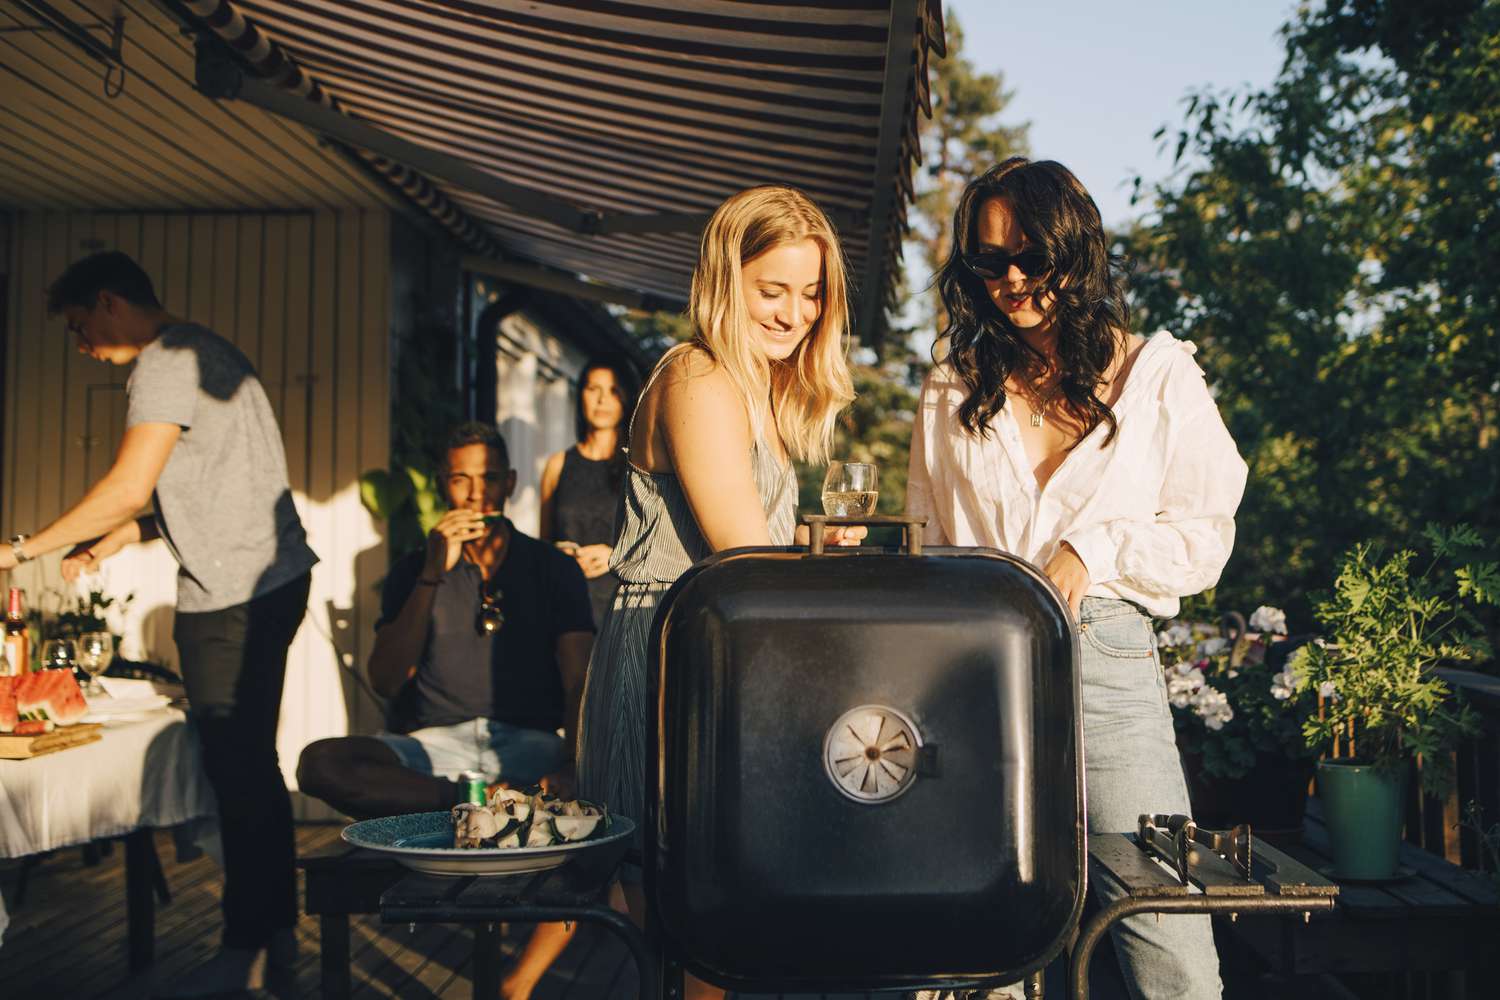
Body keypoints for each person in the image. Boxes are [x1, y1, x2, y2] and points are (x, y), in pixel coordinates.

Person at [906, 158, 1247, 1000]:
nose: (1012, 279)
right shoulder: (952, 388)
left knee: (1165, 935)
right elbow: (931, 542)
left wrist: (1092, 549)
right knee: (986, 939)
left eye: (1031, 255)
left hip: (1108, 662)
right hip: (979, 670)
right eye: (989, 262)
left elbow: (1205, 538)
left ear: (1075, 249)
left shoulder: (1160, 376)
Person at [0, 251, 319, 997]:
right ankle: (273, 941)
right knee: (253, 775)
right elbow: (207, 484)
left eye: (80, 327)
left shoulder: (164, 362)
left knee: (239, 779)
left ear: (110, 302)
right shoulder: (208, 348)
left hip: (233, 598)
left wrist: (20, 551)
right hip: (272, 583)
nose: (81, 346)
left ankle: (246, 954)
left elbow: (127, 484)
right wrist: (129, 534)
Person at [575, 185, 863, 1000]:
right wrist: (806, 557)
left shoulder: (758, 388)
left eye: (811, 294)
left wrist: (811, 542)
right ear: (723, 280)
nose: (793, 314)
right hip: (673, 655)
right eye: (771, 290)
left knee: (712, 919)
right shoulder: (698, 377)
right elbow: (742, 559)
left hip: (717, 654)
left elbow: (754, 548)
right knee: (696, 915)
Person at [297, 422, 594, 1000]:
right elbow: (385, 680)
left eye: (487, 479)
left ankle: (504, 801)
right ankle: (476, 804)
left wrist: (574, 760)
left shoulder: (551, 568)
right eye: (461, 479)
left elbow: (578, 677)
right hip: (433, 752)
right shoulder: (417, 567)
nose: (475, 494)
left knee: (591, 810)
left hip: (526, 745)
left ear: (509, 484)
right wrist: (435, 569)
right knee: (319, 763)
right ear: (443, 486)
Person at [539, 357, 638, 627]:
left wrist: (615, 556)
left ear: (627, 399)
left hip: (620, 605)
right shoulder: (557, 464)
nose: (602, 400)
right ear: (580, 394)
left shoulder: (640, 465)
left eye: (613, 391)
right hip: (565, 602)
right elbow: (543, 546)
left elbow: (657, 542)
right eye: (593, 389)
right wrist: (561, 555)